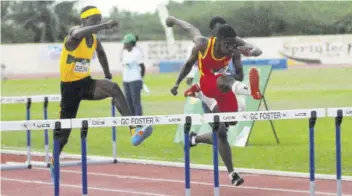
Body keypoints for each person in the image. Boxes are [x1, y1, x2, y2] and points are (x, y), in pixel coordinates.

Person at [52, 5, 153, 181]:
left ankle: (134, 131)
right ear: (84, 21)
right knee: (63, 134)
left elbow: (102, 55)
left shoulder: (95, 40)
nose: (98, 23)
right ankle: (54, 161)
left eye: (100, 20)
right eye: (94, 21)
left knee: (113, 88)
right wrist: (105, 25)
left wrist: (107, 74)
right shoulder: (74, 34)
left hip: (86, 83)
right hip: (69, 88)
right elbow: (77, 34)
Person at [166, 16, 263, 186]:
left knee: (228, 124)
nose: (232, 49)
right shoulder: (203, 44)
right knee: (222, 134)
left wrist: (251, 51)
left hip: (224, 89)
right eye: (228, 46)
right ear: (217, 41)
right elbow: (190, 29)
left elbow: (251, 56)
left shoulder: (234, 46)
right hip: (207, 87)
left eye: (234, 45)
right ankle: (233, 174)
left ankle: (193, 139)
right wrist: (173, 20)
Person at [121, 33, 145, 116]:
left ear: (131, 43)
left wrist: (140, 79)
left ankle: (139, 121)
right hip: (126, 80)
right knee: (128, 102)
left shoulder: (137, 53)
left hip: (135, 80)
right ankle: (132, 121)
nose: (124, 44)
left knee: (136, 102)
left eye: (126, 43)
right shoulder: (124, 52)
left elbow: (142, 67)